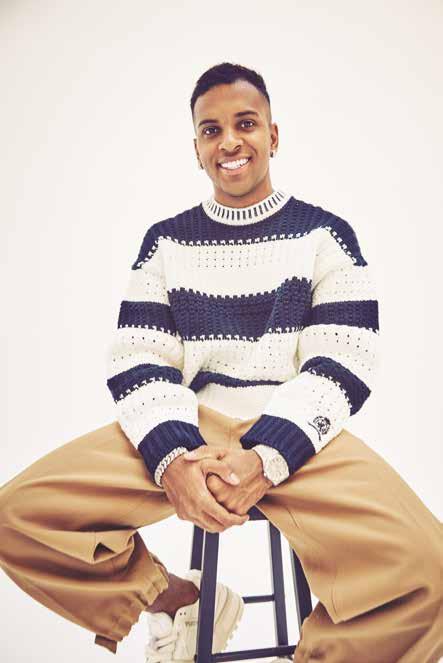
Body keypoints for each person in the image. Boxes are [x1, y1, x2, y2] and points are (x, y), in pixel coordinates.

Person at [0, 62, 442, 663]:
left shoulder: (325, 234)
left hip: (297, 434)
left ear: (273, 136)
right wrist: (174, 458)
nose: (230, 141)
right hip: (190, 429)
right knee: (18, 515)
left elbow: (343, 359)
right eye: (211, 130)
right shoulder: (166, 241)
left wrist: (267, 457)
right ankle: (175, 600)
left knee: (431, 568)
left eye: (246, 124)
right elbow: (139, 358)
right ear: (197, 149)